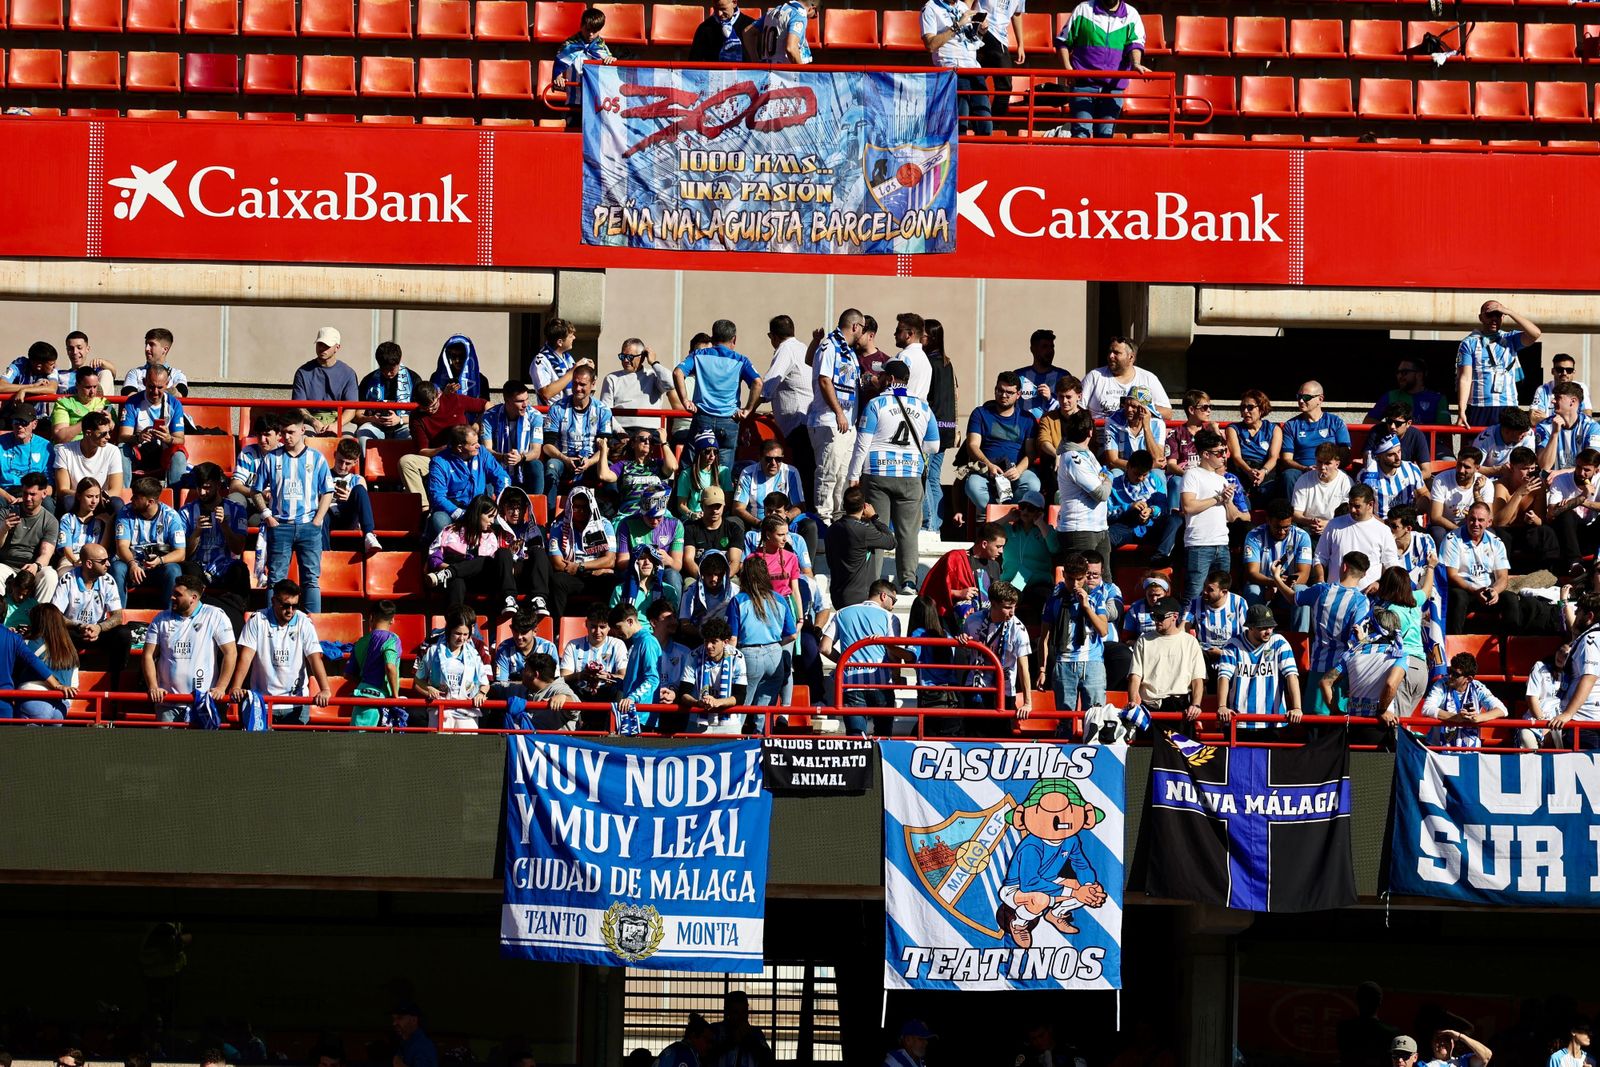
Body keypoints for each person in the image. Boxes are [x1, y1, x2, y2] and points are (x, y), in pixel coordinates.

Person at [850, 358, 940, 594]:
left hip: (878, 473)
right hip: (911, 475)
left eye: (882, 376)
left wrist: (853, 476)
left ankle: (873, 581)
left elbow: (862, 444)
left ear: (889, 379)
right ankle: (908, 581)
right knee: (908, 531)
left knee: (876, 529)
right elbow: (934, 445)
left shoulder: (876, 404)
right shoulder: (923, 406)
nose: (878, 379)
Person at [250, 412, 335, 614]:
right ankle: (271, 623)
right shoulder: (271, 459)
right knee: (276, 579)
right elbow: (255, 490)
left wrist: (317, 520)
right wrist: (267, 515)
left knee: (311, 578)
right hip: (280, 526)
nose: (286, 437)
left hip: (309, 526)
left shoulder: (317, 459)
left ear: (303, 430)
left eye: (291, 432)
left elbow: (328, 492)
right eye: (283, 432)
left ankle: (313, 626)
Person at [230, 579, 331, 725]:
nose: (290, 610)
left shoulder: (304, 622)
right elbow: (245, 657)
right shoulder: (257, 620)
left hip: (296, 704)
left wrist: (325, 689)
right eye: (285, 605)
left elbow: (314, 658)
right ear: (273, 601)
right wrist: (236, 686)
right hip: (261, 703)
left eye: (295, 606)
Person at [142, 571, 237, 723]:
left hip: (202, 702)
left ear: (193, 598)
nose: (172, 597)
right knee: (166, 747)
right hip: (168, 702)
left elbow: (230, 652)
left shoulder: (215, 615)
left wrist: (221, 687)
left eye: (178, 594)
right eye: (173, 592)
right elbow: (148, 655)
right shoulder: (161, 619)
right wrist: (153, 686)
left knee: (201, 747)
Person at [821, 579, 905, 737]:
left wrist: (844, 663)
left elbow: (824, 647)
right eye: (893, 600)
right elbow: (894, 653)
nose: (893, 605)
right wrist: (897, 677)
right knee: (884, 739)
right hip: (881, 684)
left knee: (856, 740)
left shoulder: (842, 613)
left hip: (851, 683)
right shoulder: (890, 618)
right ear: (883, 596)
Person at [805, 311, 867, 522]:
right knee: (828, 473)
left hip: (847, 424)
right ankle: (823, 521)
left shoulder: (848, 351)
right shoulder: (830, 346)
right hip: (829, 422)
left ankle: (839, 518)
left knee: (843, 476)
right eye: (863, 328)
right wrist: (839, 412)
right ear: (856, 327)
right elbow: (824, 380)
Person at [1202, 603, 1301, 734]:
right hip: (1239, 722)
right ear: (1251, 627)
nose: (1269, 631)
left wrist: (1297, 708)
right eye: (1263, 627)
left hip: (1273, 722)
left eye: (1271, 626)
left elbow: (1291, 675)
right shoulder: (1233, 644)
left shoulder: (1279, 642)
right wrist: (1222, 706)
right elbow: (1224, 677)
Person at [1055, 0, 1149, 138]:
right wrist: (1068, 69)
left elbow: (1135, 44)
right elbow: (1063, 42)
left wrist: (1136, 63)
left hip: (1113, 88)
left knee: (1105, 139)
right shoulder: (1083, 9)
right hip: (1083, 86)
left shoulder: (1132, 14)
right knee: (1081, 136)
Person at [1296, 551, 1372, 715]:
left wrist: (1277, 578)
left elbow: (1293, 598)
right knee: (1339, 721)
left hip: (1318, 665)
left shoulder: (1321, 590)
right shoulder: (1361, 601)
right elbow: (1359, 638)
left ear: (1344, 566)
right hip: (1343, 671)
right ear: (1364, 574)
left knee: (1314, 723)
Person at [672, 319, 762, 458]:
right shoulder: (741, 360)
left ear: (713, 338)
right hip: (729, 420)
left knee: (690, 464)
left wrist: (685, 401)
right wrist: (748, 410)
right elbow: (758, 383)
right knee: (724, 469)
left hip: (702, 417)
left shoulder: (699, 355)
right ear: (734, 339)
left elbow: (678, 372)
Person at [1318, 611, 1408, 747]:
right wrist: (1381, 711)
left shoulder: (1352, 653)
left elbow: (1325, 682)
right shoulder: (1399, 654)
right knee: (1377, 768)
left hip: (1352, 727)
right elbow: (1390, 685)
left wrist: (1336, 712)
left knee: (1353, 768)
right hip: (1379, 726)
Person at [728, 556, 796, 729]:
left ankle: (735, 745)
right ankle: (763, 749)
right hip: (775, 654)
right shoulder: (779, 599)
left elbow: (733, 639)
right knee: (765, 711)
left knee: (741, 707)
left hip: (748, 655)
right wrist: (775, 645)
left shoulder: (738, 600)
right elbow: (792, 635)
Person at [1040, 553, 1108, 722]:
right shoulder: (1053, 600)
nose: (1075, 584)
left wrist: (1085, 606)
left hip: (1092, 663)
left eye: (1079, 579)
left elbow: (1103, 630)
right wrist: (1042, 670)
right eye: (1070, 579)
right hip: (1064, 664)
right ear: (1063, 575)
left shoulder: (1096, 597)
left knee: (1095, 719)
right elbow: (1044, 638)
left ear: (1086, 576)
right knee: (1065, 721)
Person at [1122, 596, 1204, 734]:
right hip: (1149, 708)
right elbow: (1135, 676)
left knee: (1179, 755)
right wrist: (1133, 701)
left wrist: (1195, 705)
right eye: (1154, 616)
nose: (1156, 620)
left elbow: (1197, 679)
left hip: (1179, 707)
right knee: (1146, 754)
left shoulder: (1190, 642)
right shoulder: (1143, 640)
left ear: (1175, 616)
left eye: (1160, 616)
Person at [1179, 429, 1244, 601]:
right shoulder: (1192, 474)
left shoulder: (1221, 480)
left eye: (1225, 451)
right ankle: (1188, 626)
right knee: (1194, 592)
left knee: (1221, 595)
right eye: (1220, 452)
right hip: (1200, 544)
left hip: (1222, 543)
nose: (1224, 456)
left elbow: (1231, 517)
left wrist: (1228, 501)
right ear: (1206, 454)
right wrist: (1218, 498)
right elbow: (1188, 506)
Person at [429, 494, 520, 616]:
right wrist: (450, 569)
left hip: (481, 580)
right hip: (456, 580)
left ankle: (450, 572)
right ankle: (455, 621)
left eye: (494, 517)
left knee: (487, 559)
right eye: (489, 517)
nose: (492, 522)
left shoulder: (491, 537)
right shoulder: (451, 531)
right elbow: (434, 558)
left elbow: (494, 566)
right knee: (456, 580)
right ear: (477, 514)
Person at [1456, 298, 1540, 430]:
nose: (1494, 318)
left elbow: (1535, 333)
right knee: (1477, 448)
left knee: (1507, 448)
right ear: (1481, 318)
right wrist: (1462, 409)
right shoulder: (1469, 342)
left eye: (1498, 315)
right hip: (1479, 405)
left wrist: (1509, 312)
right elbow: (1465, 378)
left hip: (1507, 405)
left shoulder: (1510, 338)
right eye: (1489, 315)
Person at [52, 541, 132, 678]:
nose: (108, 564)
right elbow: (54, 615)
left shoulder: (108, 580)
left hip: (98, 632)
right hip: (73, 632)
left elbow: (118, 616)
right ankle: (58, 676)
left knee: (123, 633)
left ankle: (117, 678)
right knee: (53, 630)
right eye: (103, 561)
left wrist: (99, 628)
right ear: (89, 564)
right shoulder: (67, 579)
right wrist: (79, 626)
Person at [541, 364, 614, 514]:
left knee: (610, 470)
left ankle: (610, 517)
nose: (578, 388)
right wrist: (565, 459)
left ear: (593, 384)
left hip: (591, 461)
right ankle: (550, 517)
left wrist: (590, 462)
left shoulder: (602, 410)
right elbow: (547, 446)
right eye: (575, 383)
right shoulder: (557, 408)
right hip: (563, 460)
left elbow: (605, 446)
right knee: (551, 467)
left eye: (583, 384)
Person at [964, 370, 1040, 509]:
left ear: (1018, 395)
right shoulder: (980, 413)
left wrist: (1018, 470)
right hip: (986, 471)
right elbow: (972, 445)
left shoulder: (1027, 419)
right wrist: (988, 465)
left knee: (1032, 484)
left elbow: (1031, 452)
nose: (1003, 395)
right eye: (1000, 390)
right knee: (972, 485)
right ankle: (997, 517)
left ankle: (1011, 514)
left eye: (1009, 393)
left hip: (1016, 472)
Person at [545, 486, 619, 622]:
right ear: (569, 507)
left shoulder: (605, 525)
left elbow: (610, 560)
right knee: (557, 580)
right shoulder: (558, 526)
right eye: (576, 507)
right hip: (575, 576)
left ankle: (609, 626)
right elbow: (557, 563)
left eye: (585, 507)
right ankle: (556, 629)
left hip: (594, 576)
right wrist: (590, 567)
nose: (581, 511)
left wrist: (580, 566)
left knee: (612, 580)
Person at [427, 424, 511, 541]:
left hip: (479, 507)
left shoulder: (482, 453)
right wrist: (461, 514)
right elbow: (437, 497)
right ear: (460, 448)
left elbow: (502, 477)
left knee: (501, 522)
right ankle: (449, 555)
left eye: (478, 442)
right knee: (439, 520)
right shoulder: (439, 462)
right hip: (452, 509)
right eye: (473, 444)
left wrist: (501, 501)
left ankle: (492, 554)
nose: (478, 446)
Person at [963, 579, 1032, 718]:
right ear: (993, 604)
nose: (1012, 612)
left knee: (1000, 735)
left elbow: (1024, 668)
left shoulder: (1019, 630)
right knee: (974, 735)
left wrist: (1027, 703)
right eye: (1007, 607)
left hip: (1004, 690)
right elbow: (963, 650)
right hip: (977, 685)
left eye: (1014, 607)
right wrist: (961, 639)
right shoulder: (972, 621)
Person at [414, 605, 490, 731]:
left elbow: (485, 684)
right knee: (440, 749)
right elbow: (417, 680)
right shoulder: (433, 651)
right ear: (449, 630)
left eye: (465, 634)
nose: (461, 638)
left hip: (467, 712)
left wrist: (481, 694)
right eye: (457, 633)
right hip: (440, 711)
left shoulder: (474, 654)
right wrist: (429, 689)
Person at [182, 462, 251, 598]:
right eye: (199, 487)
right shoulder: (186, 512)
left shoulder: (237, 509)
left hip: (225, 566)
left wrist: (224, 525)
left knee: (240, 569)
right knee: (188, 568)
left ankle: (238, 613)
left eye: (207, 487)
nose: (202, 492)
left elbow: (238, 549)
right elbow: (184, 554)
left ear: (218, 485)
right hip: (197, 567)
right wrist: (197, 532)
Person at [922, 0, 991, 135]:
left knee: (985, 123)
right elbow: (930, 45)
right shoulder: (930, 8)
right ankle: (960, 155)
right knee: (960, 125)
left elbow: (970, 39)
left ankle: (983, 154)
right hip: (953, 68)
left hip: (973, 68)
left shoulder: (962, 6)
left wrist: (981, 31)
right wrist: (957, 25)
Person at [113, 475, 185, 603]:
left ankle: (169, 618)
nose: (131, 499)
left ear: (150, 502)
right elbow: (121, 547)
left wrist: (160, 560)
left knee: (174, 570)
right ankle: (117, 616)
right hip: (132, 565)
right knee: (117, 568)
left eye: (136, 497)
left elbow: (180, 553)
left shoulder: (171, 517)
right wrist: (132, 564)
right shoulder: (125, 512)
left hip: (158, 567)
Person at [1441, 502, 1511, 634]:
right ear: (1467, 519)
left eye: (1481, 520)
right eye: (1472, 519)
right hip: (1464, 589)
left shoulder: (1496, 542)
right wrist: (1474, 590)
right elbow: (1452, 575)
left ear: (1489, 522)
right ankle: (1455, 642)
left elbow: (1503, 577)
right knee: (1458, 597)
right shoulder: (1453, 539)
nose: (1475, 524)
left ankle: (1508, 646)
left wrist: (1495, 590)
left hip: (1487, 590)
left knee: (1510, 599)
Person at [921, 521, 1006, 627]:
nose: (1001, 551)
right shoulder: (955, 559)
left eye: (1002, 546)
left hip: (985, 626)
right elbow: (930, 591)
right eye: (998, 546)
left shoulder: (995, 566)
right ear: (984, 544)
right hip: (951, 625)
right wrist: (958, 593)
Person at [824, 486, 896, 608]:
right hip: (859, 598)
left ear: (844, 505)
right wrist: (874, 518)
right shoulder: (863, 531)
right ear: (864, 507)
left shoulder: (832, 529)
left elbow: (830, 561)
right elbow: (891, 542)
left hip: (838, 594)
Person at [1242, 499, 1313, 623]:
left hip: (1288, 588)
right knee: (1252, 590)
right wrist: (1274, 583)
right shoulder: (1254, 536)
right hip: (1264, 587)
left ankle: (1300, 638)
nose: (1282, 532)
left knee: (1302, 590)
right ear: (1268, 520)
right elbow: (1252, 573)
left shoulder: (1302, 537)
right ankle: (1254, 633)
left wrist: (1279, 585)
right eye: (1277, 527)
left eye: (1286, 527)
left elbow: (1304, 574)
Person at [1373, 563, 1430, 716]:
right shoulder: (1413, 600)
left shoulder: (1391, 612)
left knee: (1398, 725)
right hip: (1421, 670)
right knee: (1405, 722)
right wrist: (1431, 567)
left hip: (1404, 668)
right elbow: (1427, 590)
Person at [1492, 448, 1560, 575]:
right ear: (1512, 468)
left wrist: (1534, 519)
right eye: (1524, 469)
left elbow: (1541, 521)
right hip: (1507, 532)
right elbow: (1499, 522)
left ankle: (1549, 574)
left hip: (1526, 532)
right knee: (1500, 535)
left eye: (1532, 469)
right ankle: (1501, 576)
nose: (1529, 473)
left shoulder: (1537, 487)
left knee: (1546, 532)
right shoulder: (1501, 486)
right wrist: (1518, 494)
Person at [1315, 485, 1398, 589]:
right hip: (1335, 595)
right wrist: (1320, 580)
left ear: (1370, 505)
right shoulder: (1333, 525)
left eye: (1357, 506)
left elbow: (1391, 564)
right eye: (1350, 505)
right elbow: (1320, 557)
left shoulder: (1383, 530)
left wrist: (1379, 583)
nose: (1352, 510)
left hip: (1368, 597)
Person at [118, 364, 187, 487]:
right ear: (144, 382)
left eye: (159, 387)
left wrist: (168, 438)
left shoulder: (174, 404)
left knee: (179, 455)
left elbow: (180, 439)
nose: (155, 392)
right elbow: (122, 436)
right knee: (121, 449)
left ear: (167, 384)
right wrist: (138, 437)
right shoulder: (133, 402)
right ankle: (123, 496)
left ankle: (177, 501)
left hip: (163, 454)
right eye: (151, 387)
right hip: (138, 454)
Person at [1420, 653, 1507, 749]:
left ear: (1469, 679)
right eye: (1450, 671)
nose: (1450, 676)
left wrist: (1478, 717)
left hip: (1469, 750)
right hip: (1439, 749)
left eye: (1455, 674)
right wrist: (1455, 717)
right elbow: (1426, 708)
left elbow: (1502, 710)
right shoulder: (1441, 684)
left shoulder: (1478, 687)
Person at [922, 319, 959, 535]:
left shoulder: (929, 363)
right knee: (934, 477)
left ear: (932, 337)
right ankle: (936, 526)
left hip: (932, 428)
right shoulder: (946, 363)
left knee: (925, 476)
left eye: (923, 334)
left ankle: (930, 525)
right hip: (946, 427)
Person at [0, 472, 59, 604]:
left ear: (44, 493)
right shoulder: (7, 512)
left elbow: (46, 553)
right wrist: (4, 528)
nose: (27, 498)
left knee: (50, 576)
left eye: (33, 494)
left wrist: (36, 566)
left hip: (32, 566)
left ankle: (37, 617)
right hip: (6, 565)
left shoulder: (50, 521)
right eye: (25, 493)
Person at [600, 338, 680, 435]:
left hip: (650, 431)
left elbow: (671, 383)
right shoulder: (611, 378)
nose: (625, 360)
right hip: (622, 430)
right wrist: (620, 432)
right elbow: (605, 410)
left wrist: (654, 363)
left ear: (642, 357)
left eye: (630, 357)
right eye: (622, 356)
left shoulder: (653, 376)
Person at [1079, 336, 1171, 420]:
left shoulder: (1148, 378)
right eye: (1110, 352)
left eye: (1116, 353)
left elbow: (1167, 413)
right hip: (1100, 435)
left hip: (1137, 436)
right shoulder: (1095, 376)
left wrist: (1139, 411)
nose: (1111, 356)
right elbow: (1078, 408)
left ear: (1131, 357)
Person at [481, 379, 547, 496]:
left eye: (526, 399)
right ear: (507, 401)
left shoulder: (535, 416)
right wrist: (502, 457)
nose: (525, 404)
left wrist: (520, 457)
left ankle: (535, 506)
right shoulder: (489, 416)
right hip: (498, 466)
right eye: (520, 401)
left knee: (536, 465)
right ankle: (487, 509)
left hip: (524, 466)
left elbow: (536, 452)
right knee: (485, 466)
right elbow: (486, 450)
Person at [345, 599, 403, 728]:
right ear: (392, 620)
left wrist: (365, 683)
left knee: (356, 743)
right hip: (382, 701)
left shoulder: (360, 642)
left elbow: (348, 674)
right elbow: (390, 666)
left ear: (371, 617)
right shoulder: (392, 639)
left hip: (362, 698)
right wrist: (395, 696)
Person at [292, 327, 359, 436]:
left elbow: (351, 409)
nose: (322, 348)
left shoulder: (348, 373)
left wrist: (337, 424)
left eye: (327, 345)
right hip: (310, 420)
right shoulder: (303, 372)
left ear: (337, 347)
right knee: (302, 439)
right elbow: (299, 406)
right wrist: (314, 422)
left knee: (348, 443)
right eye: (319, 344)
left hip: (340, 420)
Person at [998, 490, 1059, 608]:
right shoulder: (1009, 529)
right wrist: (1007, 517)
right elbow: (986, 533)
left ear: (1039, 512)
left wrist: (1040, 523)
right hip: (1011, 583)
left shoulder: (1046, 530)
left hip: (1038, 584)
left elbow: (1055, 549)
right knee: (1004, 598)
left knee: (1045, 599)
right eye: (1023, 507)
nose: (1025, 511)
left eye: (1031, 508)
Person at [1554, 594, 1600, 750]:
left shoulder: (1591, 639)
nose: (1574, 613)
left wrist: (1568, 714)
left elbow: (1589, 677)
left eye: (1579, 611)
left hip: (1586, 722)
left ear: (1589, 616)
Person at [18, 602, 78, 720]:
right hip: (61, 707)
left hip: (33, 698)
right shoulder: (71, 650)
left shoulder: (26, 643)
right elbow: (74, 683)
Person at [322, 438, 383, 555]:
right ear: (335, 455)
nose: (343, 466)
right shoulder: (324, 476)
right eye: (340, 461)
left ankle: (369, 535)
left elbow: (362, 502)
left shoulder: (358, 479)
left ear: (355, 462)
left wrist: (350, 497)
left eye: (348, 463)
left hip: (348, 517)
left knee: (359, 490)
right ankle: (324, 554)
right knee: (322, 515)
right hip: (328, 515)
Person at [609, 602, 662, 733]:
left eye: (618, 627)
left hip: (642, 717)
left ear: (630, 621)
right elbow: (633, 681)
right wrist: (611, 680)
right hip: (633, 714)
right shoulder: (636, 643)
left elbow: (652, 680)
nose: (616, 633)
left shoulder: (647, 642)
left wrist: (632, 698)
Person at [560, 605, 628, 707]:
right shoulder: (573, 645)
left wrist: (608, 677)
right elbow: (563, 676)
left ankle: (613, 722)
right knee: (565, 688)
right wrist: (581, 675)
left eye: (602, 627)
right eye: (593, 626)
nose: (597, 632)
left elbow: (624, 676)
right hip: (580, 693)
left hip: (607, 693)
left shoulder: (618, 645)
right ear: (586, 624)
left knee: (620, 689)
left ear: (609, 626)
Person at [1279, 380, 1351, 476]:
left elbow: (1345, 454)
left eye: (1306, 397)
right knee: (1289, 475)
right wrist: (1304, 468)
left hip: (1329, 470)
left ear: (1320, 399)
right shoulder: (1291, 425)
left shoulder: (1335, 422)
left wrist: (1327, 468)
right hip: (1302, 472)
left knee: (1343, 476)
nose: (1301, 400)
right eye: (1299, 397)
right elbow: (1287, 459)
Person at [53, 409, 122, 505]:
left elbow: (116, 490)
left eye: (109, 432)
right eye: (103, 434)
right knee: (68, 500)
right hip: (77, 501)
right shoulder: (64, 451)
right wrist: (86, 497)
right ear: (88, 433)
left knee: (117, 503)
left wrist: (95, 498)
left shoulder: (113, 451)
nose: (108, 437)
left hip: (102, 500)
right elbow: (62, 490)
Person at [354, 340, 420, 441]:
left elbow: (421, 413)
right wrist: (372, 419)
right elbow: (358, 414)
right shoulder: (368, 380)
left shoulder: (413, 379)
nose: (388, 373)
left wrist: (399, 420)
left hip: (404, 424)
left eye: (392, 369)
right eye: (384, 369)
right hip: (375, 425)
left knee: (413, 436)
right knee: (363, 435)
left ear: (399, 361)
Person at [1185, 569, 1248, 671]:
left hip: (1233, 657)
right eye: (1204, 586)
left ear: (1223, 592)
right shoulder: (1195, 603)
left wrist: (1223, 653)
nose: (1204, 591)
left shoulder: (1239, 603)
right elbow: (1183, 628)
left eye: (1210, 589)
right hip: (1204, 656)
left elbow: (1247, 636)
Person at [1549, 449, 1600, 573]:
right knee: (1566, 514)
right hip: (1568, 532)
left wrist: (1582, 501)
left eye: (1586, 470)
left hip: (1591, 530)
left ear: (1596, 470)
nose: (1581, 473)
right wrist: (1581, 496)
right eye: (1578, 467)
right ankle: (1575, 563)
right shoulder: (1561, 480)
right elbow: (1551, 512)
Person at [1429, 446, 1494, 543]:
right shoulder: (1441, 479)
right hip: (1446, 526)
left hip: (1474, 526)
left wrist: (1476, 493)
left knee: (1491, 534)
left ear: (1477, 468)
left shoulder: (1486, 483)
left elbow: (1488, 517)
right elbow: (1435, 516)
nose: (1461, 470)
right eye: (1459, 464)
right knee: (1437, 532)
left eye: (1467, 467)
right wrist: (1460, 530)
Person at [1108, 449, 1169, 551]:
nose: (1140, 478)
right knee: (1106, 539)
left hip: (1151, 526)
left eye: (1144, 475)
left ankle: (1162, 558)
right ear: (1128, 467)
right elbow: (1108, 513)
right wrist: (1128, 507)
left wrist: (1151, 511)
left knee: (1174, 521)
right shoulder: (1114, 485)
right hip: (1126, 526)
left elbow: (1163, 506)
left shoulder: (1154, 480)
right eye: (1136, 474)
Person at [1368, 356, 1451, 428]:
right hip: (1398, 445)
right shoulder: (1390, 396)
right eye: (1398, 373)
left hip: (1428, 445)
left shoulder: (1438, 399)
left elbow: (1444, 429)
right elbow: (1368, 421)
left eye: (1404, 372)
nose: (1400, 376)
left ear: (1419, 375)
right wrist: (1394, 426)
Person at [1291, 442, 1351, 539]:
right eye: (1319, 462)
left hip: (1336, 529)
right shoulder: (1304, 479)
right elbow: (1296, 513)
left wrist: (1328, 524)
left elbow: (1347, 514)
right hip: (1308, 529)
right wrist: (1311, 521)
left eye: (1327, 463)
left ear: (1337, 464)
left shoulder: (1346, 482)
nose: (1323, 467)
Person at [1361, 434, 1429, 519]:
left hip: (1407, 523)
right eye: (1391, 455)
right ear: (1379, 456)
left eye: (1399, 451)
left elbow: (1424, 493)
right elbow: (1363, 508)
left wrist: (1414, 512)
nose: (1398, 458)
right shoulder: (1367, 476)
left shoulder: (1412, 469)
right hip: (1379, 525)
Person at [55, 475, 111, 575]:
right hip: (71, 559)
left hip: (96, 559)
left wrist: (107, 525)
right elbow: (66, 548)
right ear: (79, 496)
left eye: (97, 497)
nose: (94, 501)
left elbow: (102, 549)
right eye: (89, 496)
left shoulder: (102, 520)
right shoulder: (67, 518)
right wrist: (75, 562)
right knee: (67, 575)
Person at [1103, 385, 1166, 473]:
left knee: (1158, 474)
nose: (1129, 409)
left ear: (1145, 409)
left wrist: (1146, 427)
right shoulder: (1112, 422)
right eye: (1127, 404)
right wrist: (1142, 467)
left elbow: (1158, 459)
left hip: (1149, 471)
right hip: (1123, 469)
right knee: (1115, 473)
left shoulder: (1158, 424)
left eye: (1134, 406)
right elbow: (1112, 461)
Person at [707, 989, 773, 1067]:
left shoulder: (755, 1033)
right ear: (727, 1011)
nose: (741, 1017)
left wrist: (750, 1040)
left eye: (744, 1012)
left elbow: (768, 1060)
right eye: (736, 1012)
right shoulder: (714, 1030)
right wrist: (731, 1042)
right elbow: (705, 1056)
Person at [50, 365, 108, 444]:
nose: (92, 392)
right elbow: (60, 438)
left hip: (98, 448)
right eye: (88, 387)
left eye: (95, 387)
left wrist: (110, 421)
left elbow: (114, 432)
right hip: (70, 449)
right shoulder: (64, 403)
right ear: (77, 385)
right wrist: (88, 420)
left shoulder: (104, 403)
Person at [122, 328, 189, 396]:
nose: (147, 348)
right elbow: (129, 397)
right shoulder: (135, 373)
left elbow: (180, 395)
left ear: (165, 349)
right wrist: (167, 391)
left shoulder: (177, 375)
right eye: (146, 344)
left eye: (151, 344)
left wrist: (143, 393)